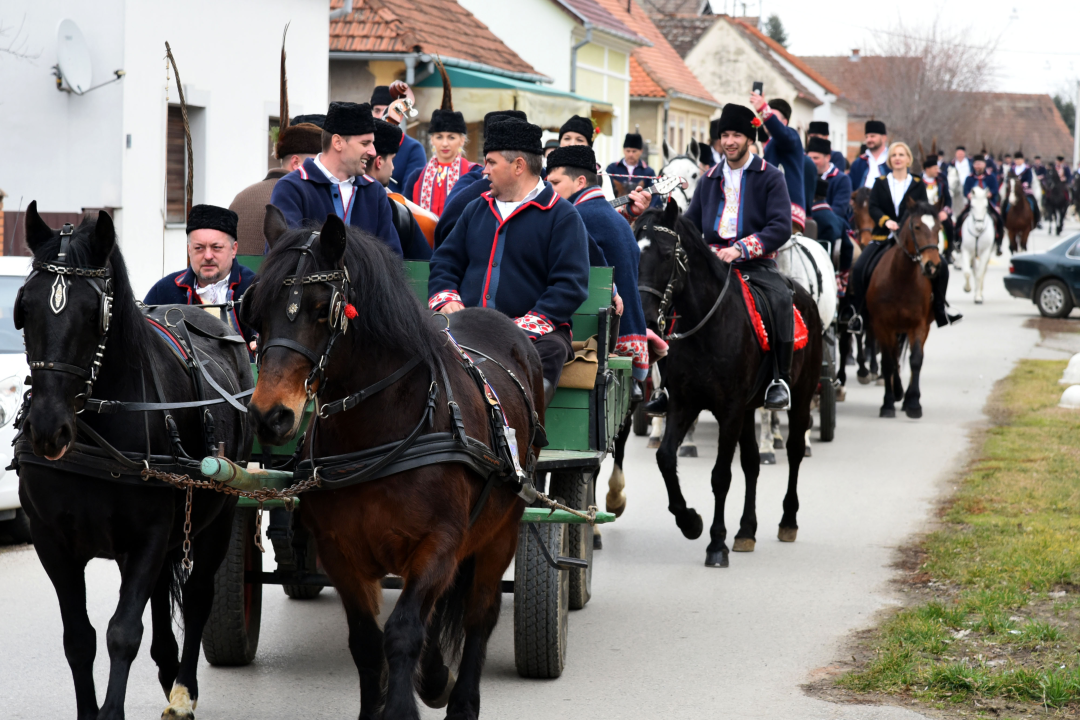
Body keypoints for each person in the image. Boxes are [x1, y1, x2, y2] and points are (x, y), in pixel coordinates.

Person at [427, 117, 590, 403]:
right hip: (467, 326)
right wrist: (447, 299)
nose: (484, 170)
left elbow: (570, 284)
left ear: (518, 166)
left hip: (534, 334)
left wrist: (524, 325)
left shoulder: (561, 216)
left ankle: (526, 430)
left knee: (549, 352)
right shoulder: (475, 209)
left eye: (491, 162)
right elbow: (445, 262)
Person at [681, 103, 796, 411]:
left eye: (736, 135)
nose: (729, 141)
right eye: (725, 135)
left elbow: (781, 225)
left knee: (782, 298)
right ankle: (669, 383)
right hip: (712, 265)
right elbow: (691, 223)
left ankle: (778, 379)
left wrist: (741, 248)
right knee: (675, 298)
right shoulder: (708, 180)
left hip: (755, 263)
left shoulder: (771, 177)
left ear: (750, 138)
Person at [546, 144, 649, 394]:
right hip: (632, 334)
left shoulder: (577, 216)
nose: (549, 190)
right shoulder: (614, 217)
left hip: (605, 337)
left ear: (580, 181)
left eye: (555, 183)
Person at [270, 101, 402, 257]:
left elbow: (393, 258)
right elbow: (284, 256)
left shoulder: (375, 191)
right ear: (338, 142)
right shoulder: (291, 188)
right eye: (365, 143)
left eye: (372, 143)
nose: (373, 152)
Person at [856, 141, 960, 328]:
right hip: (883, 237)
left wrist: (904, 224)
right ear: (890, 160)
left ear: (908, 159)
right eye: (894, 155)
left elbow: (922, 209)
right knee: (859, 268)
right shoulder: (880, 183)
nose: (897, 158)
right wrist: (886, 221)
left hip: (913, 238)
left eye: (901, 155)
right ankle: (859, 314)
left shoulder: (917, 184)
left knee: (942, 267)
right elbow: (873, 207)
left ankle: (940, 309)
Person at [144, 204, 256, 344]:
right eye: (199, 248)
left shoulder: (255, 288)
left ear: (233, 249)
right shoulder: (163, 291)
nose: (208, 256)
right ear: (189, 250)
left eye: (216, 247)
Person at [230, 116, 323, 256]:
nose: (323, 168)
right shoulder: (300, 197)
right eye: (318, 161)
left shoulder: (241, 196)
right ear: (296, 162)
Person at [403, 74, 478, 217]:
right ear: (432, 140)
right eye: (439, 137)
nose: (444, 143)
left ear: (462, 140)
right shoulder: (417, 177)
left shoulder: (473, 173)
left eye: (451, 137)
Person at [369, 118, 433, 260]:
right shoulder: (392, 207)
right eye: (392, 160)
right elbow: (425, 259)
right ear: (379, 162)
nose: (393, 167)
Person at [750, 95, 807, 232]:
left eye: (773, 117)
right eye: (766, 118)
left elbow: (781, 133)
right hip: (771, 210)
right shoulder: (771, 145)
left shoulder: (792, 136)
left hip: (788, 212)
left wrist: (763, 109)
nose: (767, 121)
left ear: (785, 122)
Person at [370, 83, 427, 194]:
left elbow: (410, 195)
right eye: (377, 111)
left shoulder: (413, 149)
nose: (382, 116)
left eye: (387, 110)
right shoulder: (365, 145)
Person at [807, 136, 852, 221]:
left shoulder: (842, 179)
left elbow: (839, 210)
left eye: (816, 158)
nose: (811, 162)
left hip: (832, 227)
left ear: (827, 158)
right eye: (809, 158)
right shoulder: (805, 176)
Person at [921, 157, 955, 263]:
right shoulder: (918, 181)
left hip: (938, 213)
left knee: (949, 226)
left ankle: (949, 251)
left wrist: (944, 211)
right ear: (927, 169)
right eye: (935, 168)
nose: (938, 171)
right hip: (922, 213)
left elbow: (948, 199)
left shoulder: (941, 181)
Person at [606, 133, 657, 199]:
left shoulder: (649, 172)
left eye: (634, 151)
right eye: (628, 151)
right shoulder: (612, 169)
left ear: (641, 151)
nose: (630, 154)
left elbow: (654, 197)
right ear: (623, 150)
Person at [1001, 151, 1041, 228]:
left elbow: (1029, 179)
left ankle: (1036, 220)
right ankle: (1003, 220)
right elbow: (1008, 179)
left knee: (1034, 202)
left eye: (1019, 159)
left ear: (1023, 160)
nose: (1018, 161)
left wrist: (1026, 183)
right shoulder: (1012, 169)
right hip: (1014, 191)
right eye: (1016, 159)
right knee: (1005, 203)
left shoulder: (1027, 169)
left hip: (1025, 191)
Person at [849, 120, 889, 189]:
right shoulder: (858, 163)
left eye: (872, 136)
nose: (868, 140)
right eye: (867, 137)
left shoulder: (893, 160)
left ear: (883, 138)